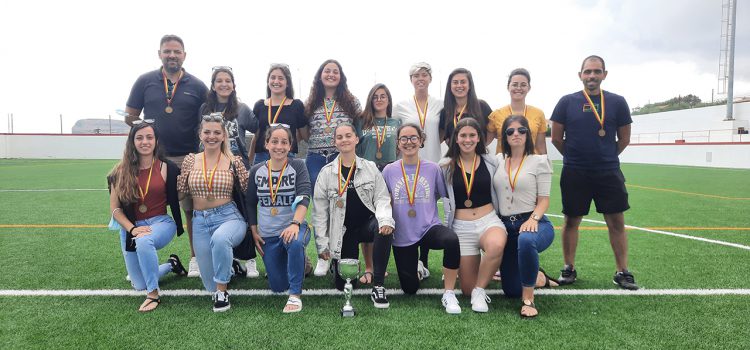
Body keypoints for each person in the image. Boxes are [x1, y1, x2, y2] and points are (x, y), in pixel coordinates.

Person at [550, 55, 638, 290]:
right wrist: (575, 156)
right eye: (587, 71)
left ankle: (622, 271)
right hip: (575, 171)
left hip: (608, 171)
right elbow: (557, 138)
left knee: (616, 221)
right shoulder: (566, 102)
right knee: (571, 220)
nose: (592, 76)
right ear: (580, 75)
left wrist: (606, 156)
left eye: (596, 71)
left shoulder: (618, 102)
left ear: (604, 75)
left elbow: (625, 138)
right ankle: (568, 267)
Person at [125, 34, 208, 279]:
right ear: (159, 53)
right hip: (154, 159)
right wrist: (145, 129)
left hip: (189, 157)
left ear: (185, 55)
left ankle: (196, 258)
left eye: (177, 52)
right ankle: (144, 257)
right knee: (144, 208)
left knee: (193, 210)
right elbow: (130, 116)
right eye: (167, 51)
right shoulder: (145, 81)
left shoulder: (197, 85)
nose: (172, 55)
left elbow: (209, 119)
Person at [311, 122, 395, 309]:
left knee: (384, 229)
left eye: (348, 135)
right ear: (335, 142)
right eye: (339, 137)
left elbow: (382, 198)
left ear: (356, 139)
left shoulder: (370, 167)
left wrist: (385, 220)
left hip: (367, 225)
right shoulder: (326, 173)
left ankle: (378, 285)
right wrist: (322, 245)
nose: (344, 140)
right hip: (343, 231)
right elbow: (319, 212)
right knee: (344, 286)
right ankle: (336, 264)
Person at [382, 123, 462, 314]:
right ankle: (419, 268)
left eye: (413, 138)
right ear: (398, 143)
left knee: (451, 240)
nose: (409, 142)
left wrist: (452, 224)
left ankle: (449, 292)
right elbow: (383, 202)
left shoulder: (433, 169)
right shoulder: (389, 170)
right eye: (404, 139)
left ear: (421, 141)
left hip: (428, 228)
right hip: (402, 234)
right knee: (410, 289)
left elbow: (446, 197)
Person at [107, 121, 187, 312]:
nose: (145, 142)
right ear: (132, 141)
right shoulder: (120, 171)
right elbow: (115, 209)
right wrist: (132, 229)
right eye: (139, 137)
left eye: (149, 137)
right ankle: (171, 264)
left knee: (143, 242)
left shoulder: (166, 167)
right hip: (131, 227)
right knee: (138, 284)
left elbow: (179, 195)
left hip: (160, 222)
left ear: (156, 141)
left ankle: (153, 294)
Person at [177, 113, 249, 312]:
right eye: (207, 132)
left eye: (217, 132)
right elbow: (182, 192)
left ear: (224, 135)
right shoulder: (191, 160)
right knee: (209, 284)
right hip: (200, 220)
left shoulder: (234, 161)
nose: (212, 136)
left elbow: (247, 192)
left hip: (229, 217)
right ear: (200, 134)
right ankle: (230, 267)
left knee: (220, 240)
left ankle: (222, 294)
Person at [439, 118, 506, 313]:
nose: (467, 139)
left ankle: (480, 290)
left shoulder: (492, 162)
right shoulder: (445, 166)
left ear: (479, 139)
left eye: (472, 135)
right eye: (463, 135)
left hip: (488, 221)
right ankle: (472, 289)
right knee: (466, 289)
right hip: (461, 227)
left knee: (496, 245)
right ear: (456, 139)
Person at [494, 115, 556, 318]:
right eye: (510, 131)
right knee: (511, 290)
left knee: (527, 239)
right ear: (504, 136)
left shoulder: (539, 161)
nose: (516, 134)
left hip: (533, 221)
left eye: (521, 130)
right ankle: (539, 277)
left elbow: (544, 200)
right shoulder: (498, 161)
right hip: (506, 227)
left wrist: (533, 219)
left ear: (528, 134)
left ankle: (528, 299)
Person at [200, 66, 260, 278]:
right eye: (219, 80)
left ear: (234, 85)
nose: (224, 84)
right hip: (214, 170)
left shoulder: (242, 109)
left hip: (238, 168)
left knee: (244, 212)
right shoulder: (205, 109)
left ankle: (250, 259)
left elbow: (258, 129)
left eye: (228, 80)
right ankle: (231, 259)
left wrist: (250, 156)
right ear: (213, 85)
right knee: (223, 215)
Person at [304, 59, 361, 277]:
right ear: (320, 75)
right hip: (316, 158)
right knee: (320, 208)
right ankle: (322, 255)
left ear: (341, 76)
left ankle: (340, 253)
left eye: (335, 71)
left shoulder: (351, 101)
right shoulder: (311, 101)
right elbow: (305, 133)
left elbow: (358, 129)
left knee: (341, 206)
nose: (330, 75)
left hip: (342, 156)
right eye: (327, 71)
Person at [247, 124, 312, 313]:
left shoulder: (298, 165)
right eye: (274, 141)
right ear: (266, 144)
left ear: (290, 146)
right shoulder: (256, 170)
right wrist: (254, 231)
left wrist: (294, 223)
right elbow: (250, 202)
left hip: (294, 227)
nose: (279, 146)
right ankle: (300, 263)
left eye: (284, 142)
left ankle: (295, 296)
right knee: (277, 285)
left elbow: (304, 197)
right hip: (269, 234)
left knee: (294, 242)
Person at [393, 62, 443, 279]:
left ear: (430, 78)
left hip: (431, 165)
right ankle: (413, 260)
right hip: (409, 168)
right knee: (411, 209)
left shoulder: (440, 105)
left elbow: (444, 132)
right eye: (416, 75)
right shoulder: (401, 106)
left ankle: (423, 260)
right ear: (411, 80)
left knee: (428, 212)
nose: (420, 78)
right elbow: (397, 135)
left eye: (424, 75)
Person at [355, 83, 401, 284]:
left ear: (389, 100)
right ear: (370, 100)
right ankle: (369, 267)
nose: (379, 99)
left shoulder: (396, 121)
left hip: (390, 172)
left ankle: (381, 264)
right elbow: (356, 148)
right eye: (375, 96)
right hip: (367, 173)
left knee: (386, 219)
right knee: (367, 218)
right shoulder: (361, 121)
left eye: (383, 96)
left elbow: (400, 148)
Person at [251, 63, 308, 165]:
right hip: (262, 157)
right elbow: (256, 136)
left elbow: (304, 135)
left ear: (287, 83)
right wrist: (249, 159)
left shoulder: (296, 105)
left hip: (287, 156)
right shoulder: (259, 105)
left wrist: (286, 144)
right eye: (273, 78)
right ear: (268, 81)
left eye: (281, 78)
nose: (276, 81)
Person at [487, 68, 548, 155]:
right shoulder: (496, 115)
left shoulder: (538, 113)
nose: (519, 88)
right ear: (508, 87)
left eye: (523, 85)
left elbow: (541, 145)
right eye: (515, 85)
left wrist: (546, 166)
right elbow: (485, 142)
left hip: (532, 165)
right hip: (504, 164)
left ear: (529, 88)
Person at [438, 68, 492, 144]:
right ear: (450, 86)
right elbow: (441, 136)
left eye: (463, 82)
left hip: (478, 155)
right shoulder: (446, 111)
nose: (459, 85)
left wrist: (484, 146)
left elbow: (493, 130)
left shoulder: (482, 106)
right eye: (455, 82)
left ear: (469, 85)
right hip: (455, 155)